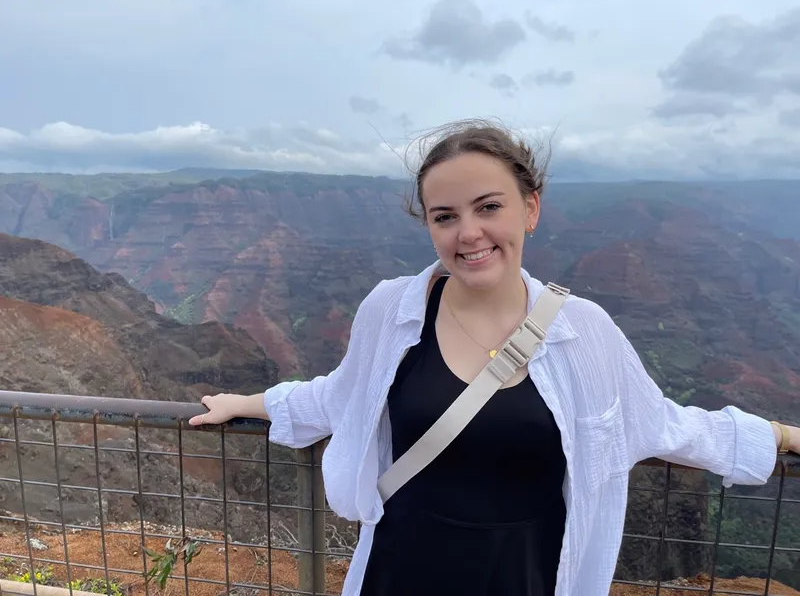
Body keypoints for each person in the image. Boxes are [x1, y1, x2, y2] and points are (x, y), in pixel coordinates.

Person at [189, 119, 800, 596]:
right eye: (445, 216)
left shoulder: (585, 332)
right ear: (429, 226)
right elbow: (344, 395)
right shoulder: (391, 311)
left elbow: (662, 423)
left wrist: (777, 434)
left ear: (530, 208)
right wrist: (247, 403)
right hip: (403, 568)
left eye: (489, 207)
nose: (469, 233)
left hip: (525, 573)